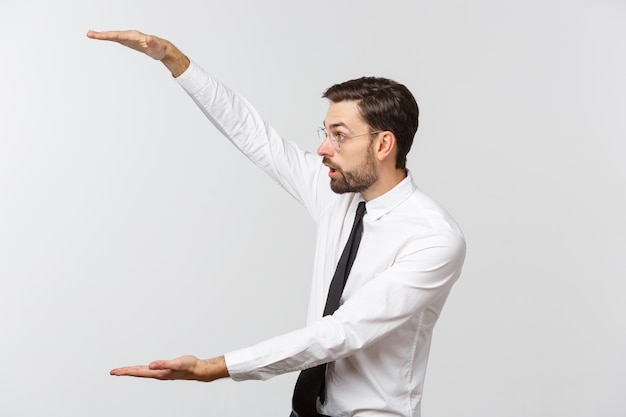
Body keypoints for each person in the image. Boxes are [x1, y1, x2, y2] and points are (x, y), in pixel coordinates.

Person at [87, 29, 466, 417]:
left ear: (383, 145)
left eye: (339, 136)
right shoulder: (337, 194)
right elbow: (254, 134)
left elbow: (342, 333)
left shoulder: (433, 238)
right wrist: (171, 58)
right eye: (325, 133)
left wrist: (216, 367)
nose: (323, 149)